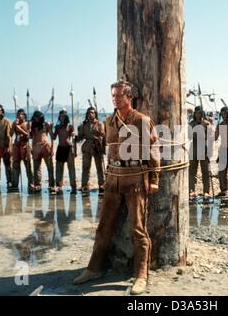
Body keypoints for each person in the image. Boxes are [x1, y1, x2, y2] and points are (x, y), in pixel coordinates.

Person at [73, 80, 160, 296]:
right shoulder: (109, 121)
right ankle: (94, 269)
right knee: (104, 226)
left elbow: (154, 150)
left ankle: (141, 275)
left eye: (119, 95)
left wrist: (154, 179)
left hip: (135, 178)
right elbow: (109, 150)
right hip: (112, 179)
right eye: (113, 95)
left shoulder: (142, 120)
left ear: (129, 97)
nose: (115, 99)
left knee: (138, 229)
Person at [77, 107, 105, 196]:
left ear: (95, 114)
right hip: (87, 147)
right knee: (85, 168)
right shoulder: (84, 125)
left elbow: (103, 136)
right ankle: (84, 185)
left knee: (99, 167)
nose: (90, 114)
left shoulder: (99, 124)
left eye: (92, 112)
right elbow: (80, 138)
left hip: (97, 147)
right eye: (89, 113)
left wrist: (102, 148)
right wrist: (76, 134)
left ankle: (101, 184)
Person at [30, 110, 56, 193]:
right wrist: (27, 130)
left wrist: (51, 128)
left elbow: (52, 137)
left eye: (38, 117)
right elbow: (30, 136)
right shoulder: (32, 125)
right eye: (35, 117)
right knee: (36, 167)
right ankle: (38, 185)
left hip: (45, 146)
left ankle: (51, 184)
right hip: (36, 147)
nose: (36, 119)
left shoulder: (46, 125)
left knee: (50, 167)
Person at [189, 106, 211, 198]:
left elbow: (210, 136)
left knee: (205, 171)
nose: (198, 115)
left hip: (203, 149)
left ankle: (206, 191)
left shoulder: (206, 123)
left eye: (200, 113)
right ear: (194, 114)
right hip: (193, 149)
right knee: (192, 171)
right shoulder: (191, 123)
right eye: (197, 113)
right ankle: (192, 190)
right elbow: (189, 136)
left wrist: (204, 127)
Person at [52, 110, 77, 194]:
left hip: (69, 148)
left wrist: (74, 134)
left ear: (66, 117)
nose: (62, 117)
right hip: (60, 148)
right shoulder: (57, 127)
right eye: (61, 116)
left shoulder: (70, 126)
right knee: (59, 168)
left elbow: (74, 139)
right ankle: (59, 186)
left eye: (64, 116)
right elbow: (53, 138)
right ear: (59, 117)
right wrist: (49, 130)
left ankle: (73, 186)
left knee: (71, 168)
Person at [10, 108, 34, 193]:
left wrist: (20, 129)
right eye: (18, 114)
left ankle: (31, 183)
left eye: (22, 114)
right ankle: (15, 184)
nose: (20, 116)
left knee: (27, 165)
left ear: (24, 115)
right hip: (16, 145)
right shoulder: (15, 123)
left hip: (25, 145)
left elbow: (30, 135)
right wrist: (14, 126)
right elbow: (10, 134)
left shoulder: (27, 124)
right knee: (15, 164)